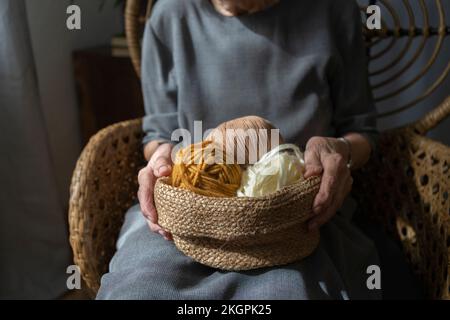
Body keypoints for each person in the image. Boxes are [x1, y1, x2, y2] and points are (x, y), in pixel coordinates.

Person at [97, 0, 421, 299]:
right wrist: (160, 157)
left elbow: (361, 130)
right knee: (140, 287)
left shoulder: (332, 9)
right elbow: (158, 134)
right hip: (187, 206)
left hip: (298, 213)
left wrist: (340, 151)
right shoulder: (170, 16)